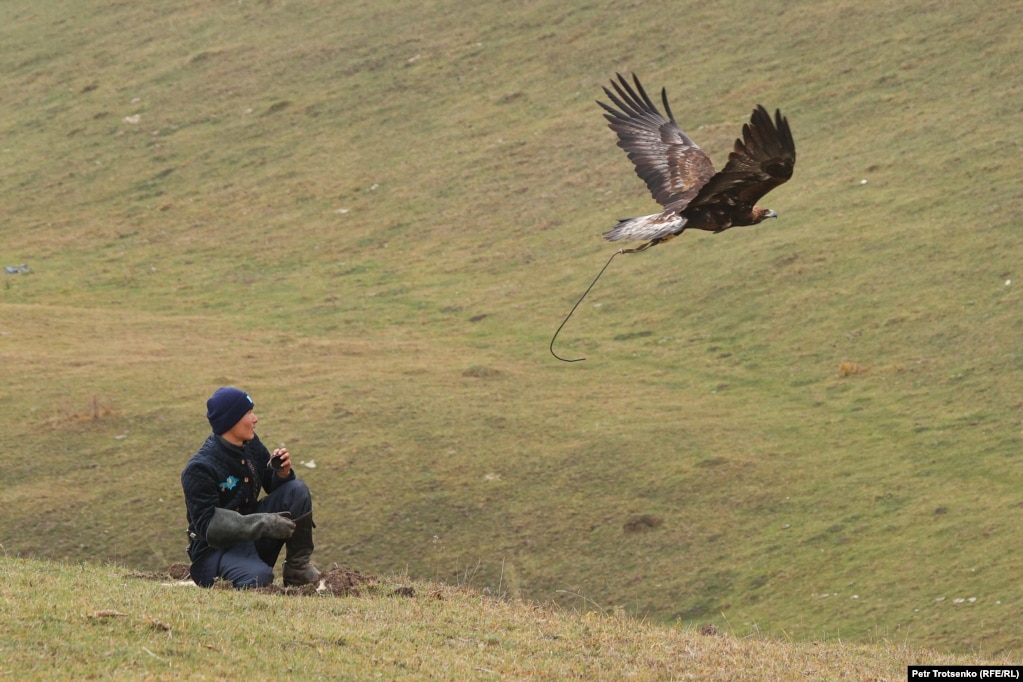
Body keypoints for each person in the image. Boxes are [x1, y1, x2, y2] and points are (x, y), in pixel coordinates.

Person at [181, 386, 320, 588]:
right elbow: (209, 526)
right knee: (258, 579)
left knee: (296, 490)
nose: (255, 419)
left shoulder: (250, 445)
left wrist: (281, 474)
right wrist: (265, 523)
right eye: (248, 413)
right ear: (231, 420)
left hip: (252, 539)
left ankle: (297, 569)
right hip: (216, 552)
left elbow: (272, 484)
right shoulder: (199, 468)